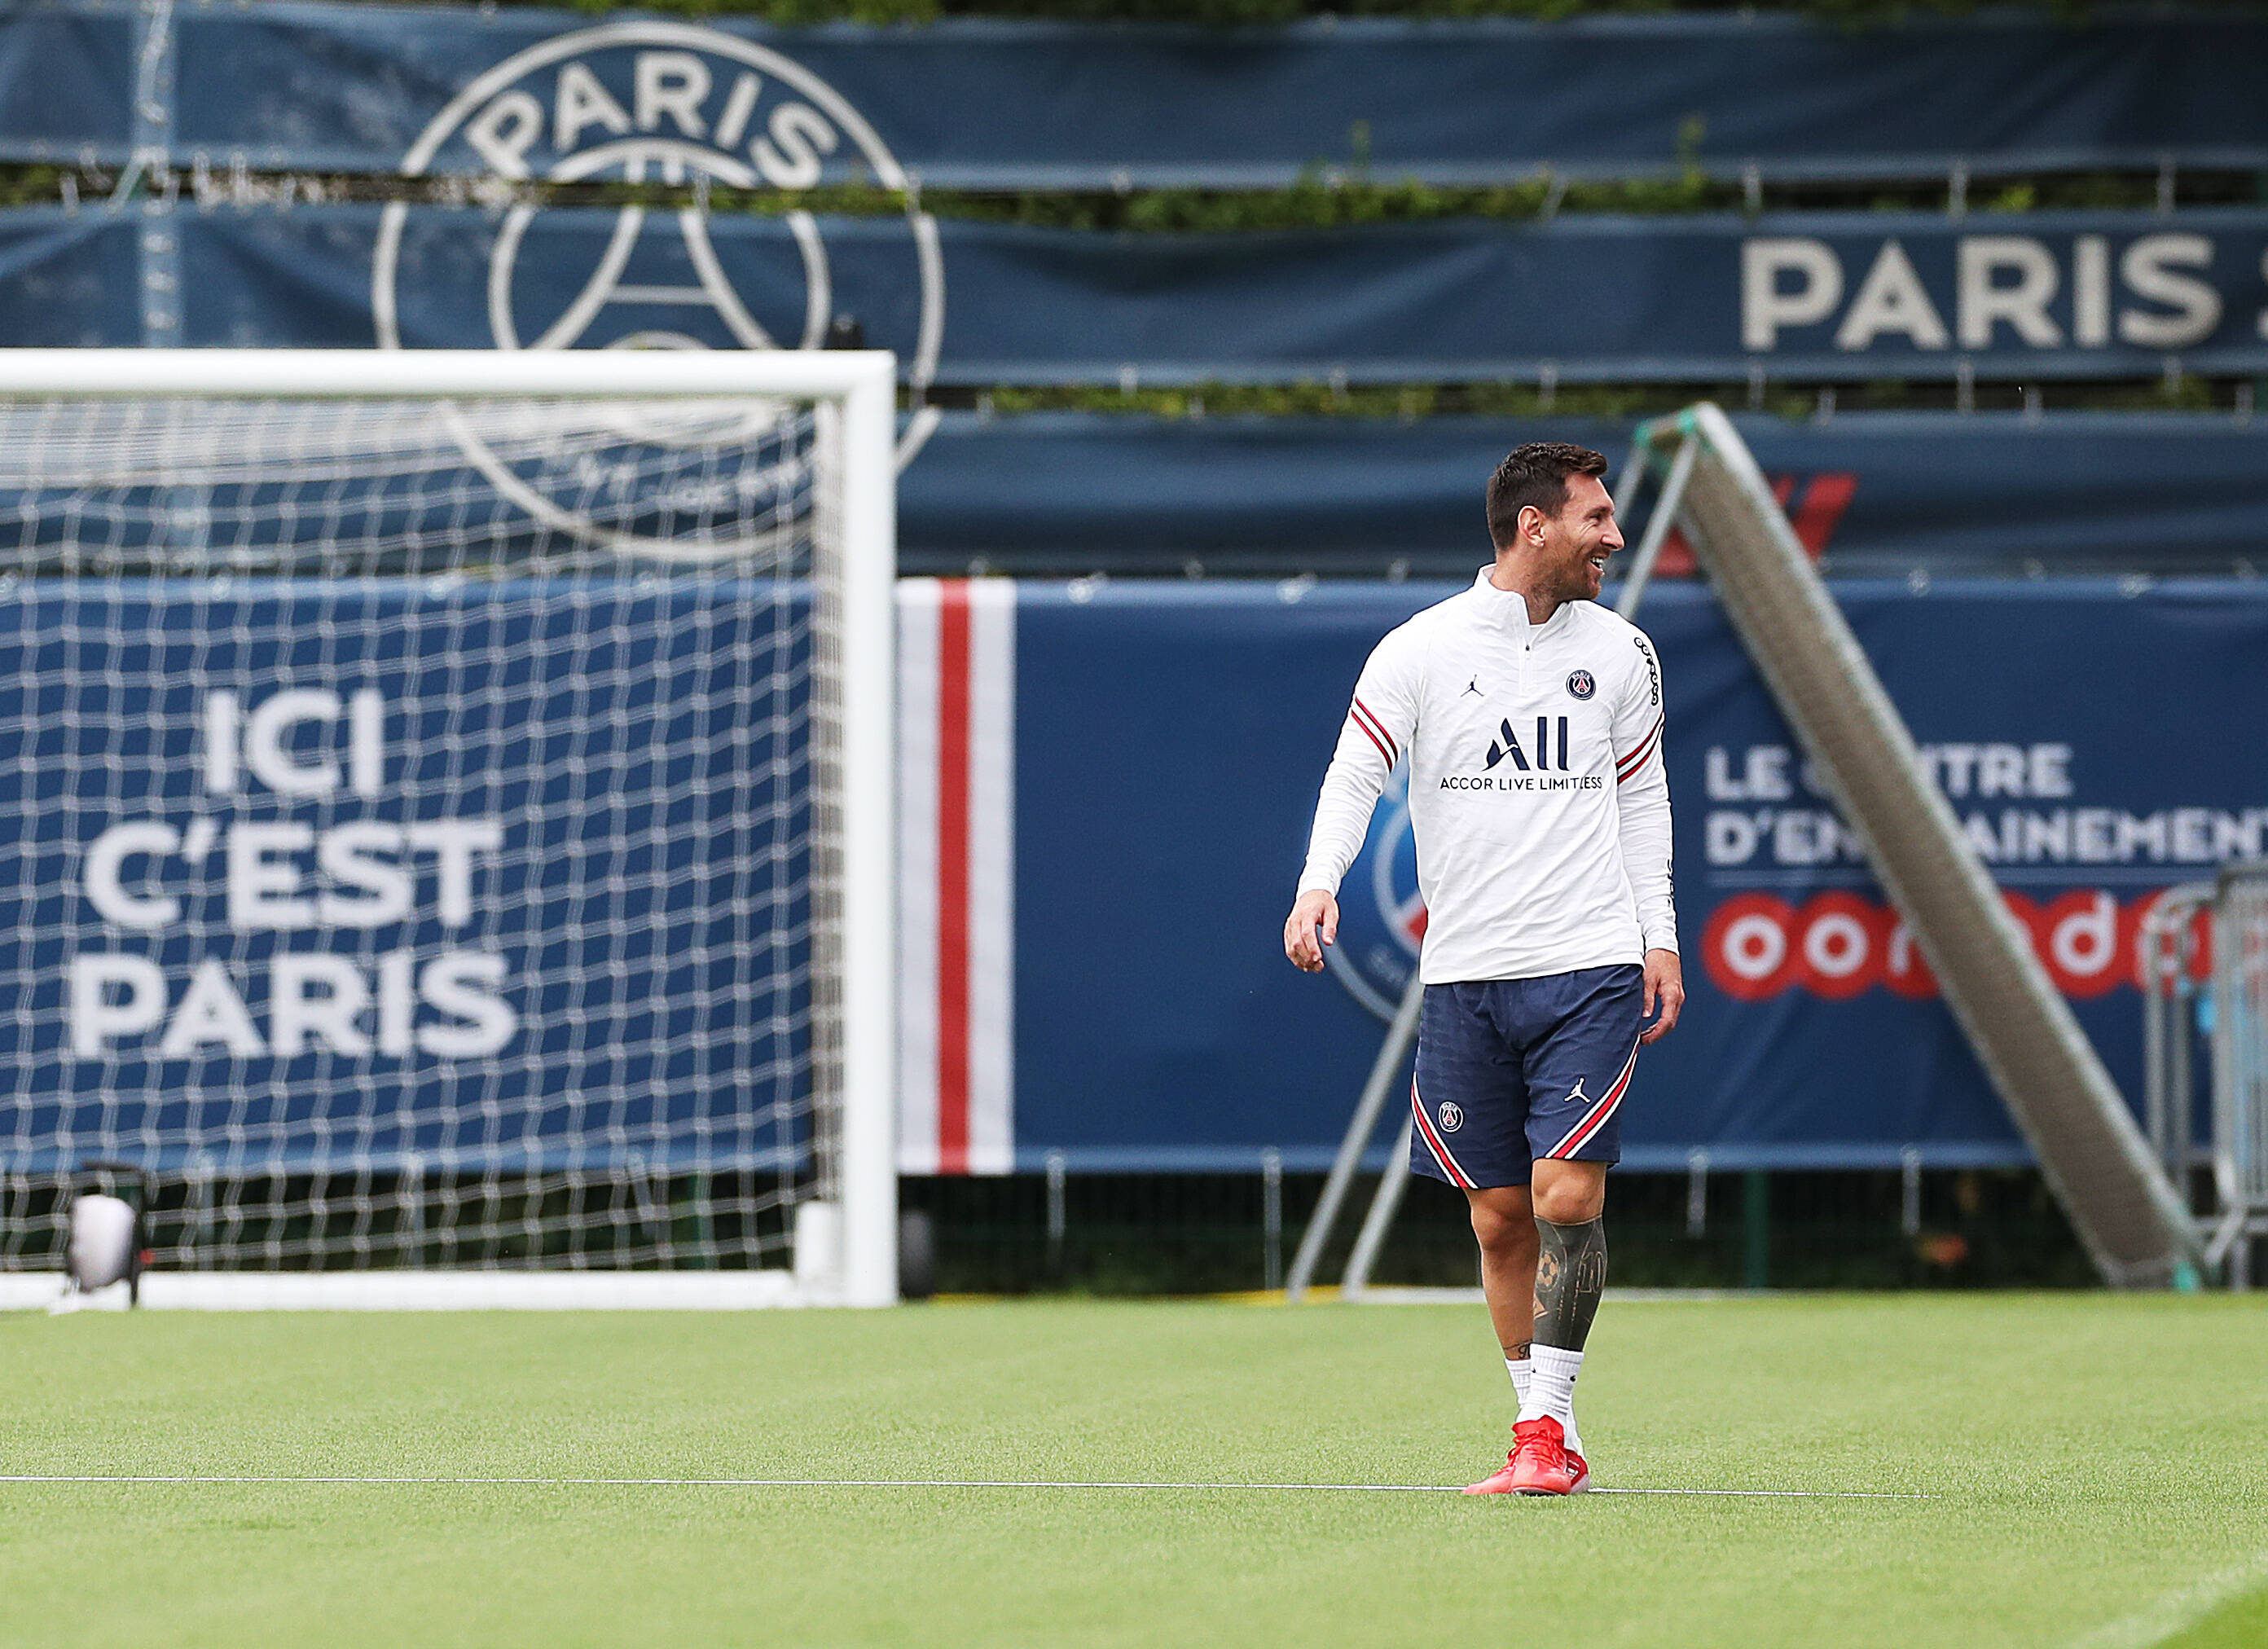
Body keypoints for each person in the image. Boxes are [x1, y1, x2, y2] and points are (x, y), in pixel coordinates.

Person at [1283, 442, 1683, 1497]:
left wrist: (1661, 935)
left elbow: (1645, 803)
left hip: (1592, 965)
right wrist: (1318, 880)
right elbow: (1354, 771)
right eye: (1596, 517)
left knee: (1564, 1198)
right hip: (1463, 978)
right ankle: (1540, 1427)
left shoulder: (1626, 653)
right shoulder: (1417, 649)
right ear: (1533, 526)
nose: (1615, 535)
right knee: (1498, 1216)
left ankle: (1545, 1436)